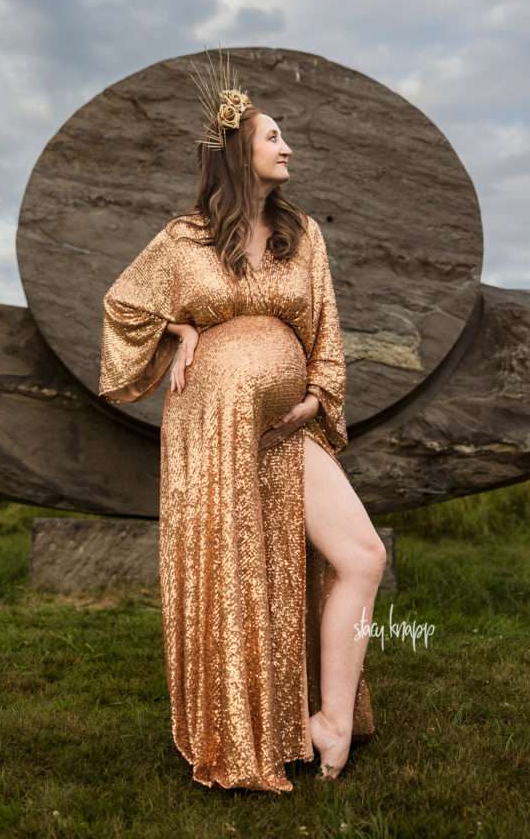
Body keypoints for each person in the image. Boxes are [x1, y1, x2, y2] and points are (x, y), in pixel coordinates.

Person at [98, 48, 387, 792]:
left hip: (287, 426)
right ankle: (244, 728)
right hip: (212, 427)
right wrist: (181, 331)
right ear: (238, 152)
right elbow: (124, 304)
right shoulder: (185, 240)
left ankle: (329, 720)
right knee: (236, 574)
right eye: (273, 137)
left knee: (361, 555)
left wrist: (317, 397)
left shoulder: (304, 234)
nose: (287, 147)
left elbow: (326, 329)